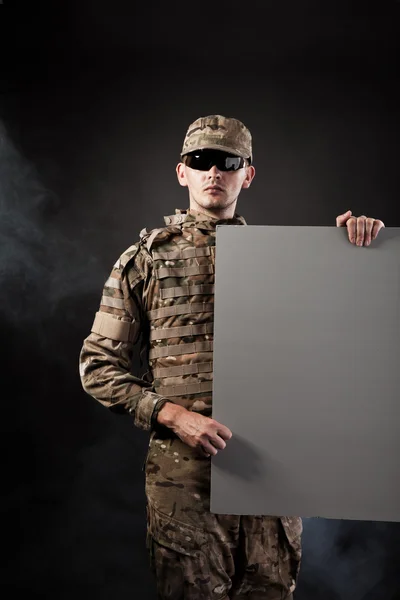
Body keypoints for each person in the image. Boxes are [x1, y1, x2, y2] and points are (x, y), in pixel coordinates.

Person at [79, 115, 385, 600]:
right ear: (182, 172)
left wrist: (354, 252)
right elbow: (97, 367)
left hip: (273, 488)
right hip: (186, 491)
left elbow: (345, 339)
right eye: (201, 161)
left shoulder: (290, 263)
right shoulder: (145, 261)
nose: (214, 173)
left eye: (228, 162)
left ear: (248, 174)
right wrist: (174, 416)